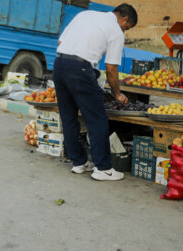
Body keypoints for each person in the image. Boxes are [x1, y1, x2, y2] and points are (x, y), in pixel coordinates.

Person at [53, 3, 137, 181]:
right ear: (124, 19)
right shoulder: (115, 31)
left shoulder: (85, 15)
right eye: (127, 28)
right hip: (80, 69)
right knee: (97, 119)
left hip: (59, 64)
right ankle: (103, 168)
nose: (124, 31)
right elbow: (112, 68)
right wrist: (117, 94)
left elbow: (61, 42)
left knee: (68, 117)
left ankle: (79, 163)